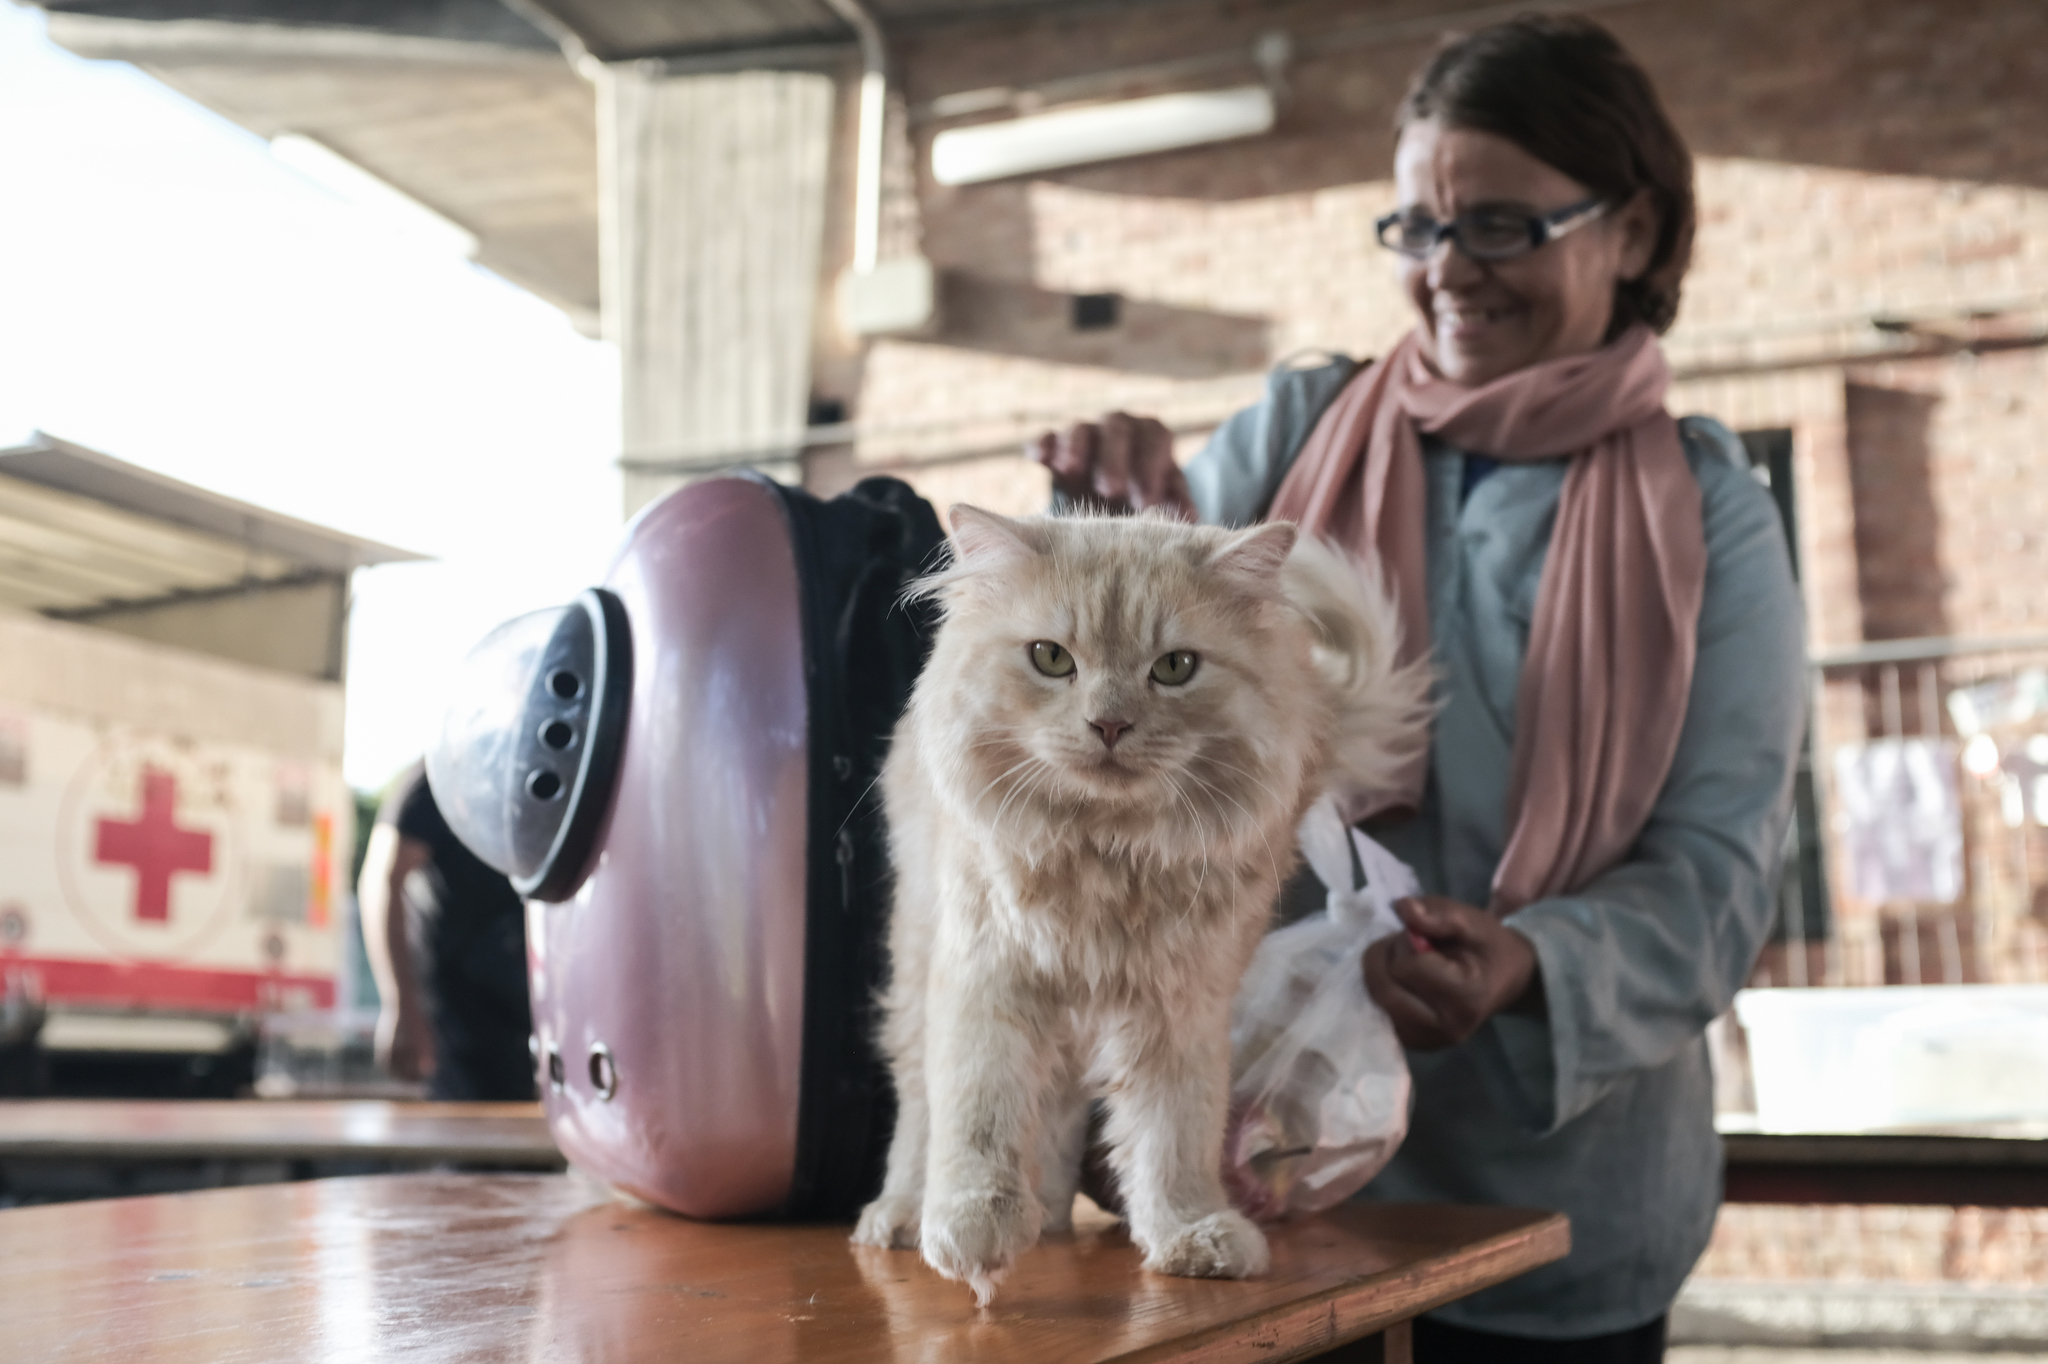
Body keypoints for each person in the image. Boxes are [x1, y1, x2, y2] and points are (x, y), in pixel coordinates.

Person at [1034, 16, 1804, 1362]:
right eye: (1417, 229)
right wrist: (1106, 535)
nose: (1448, 271)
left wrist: (1531, 964)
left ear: (1632, 231)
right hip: (1250, 1175)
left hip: (1557, 1209)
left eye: (1500, 226)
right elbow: (1121, 756)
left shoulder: (1712, 516)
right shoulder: (1297, 438)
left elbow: (1721, 876)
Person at [358, 762, 536, 1102]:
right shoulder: (444, 773)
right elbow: (383, 879)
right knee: (477, 1143)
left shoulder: (540, 763)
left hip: (529, 1004)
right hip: (460, 1010)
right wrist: (401, 1005)